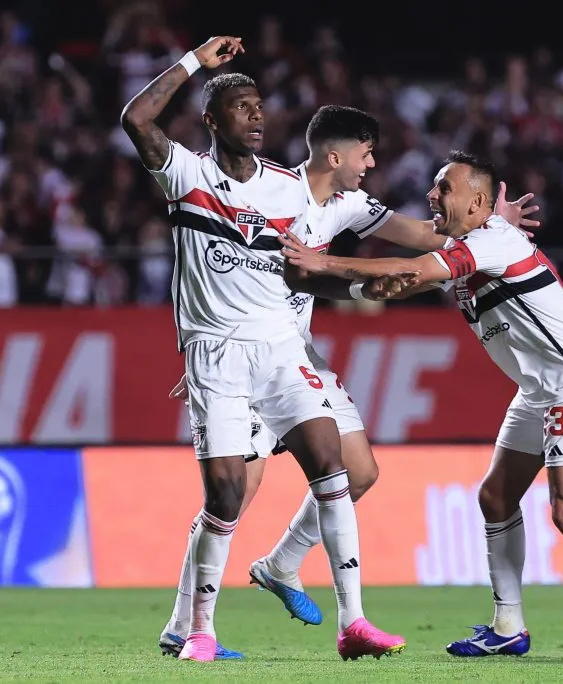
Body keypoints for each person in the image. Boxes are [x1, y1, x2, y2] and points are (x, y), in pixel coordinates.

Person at [162, 105, 540, 633]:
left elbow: (423, 237)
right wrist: (206, 352)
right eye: (365, 152)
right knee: (232, 498)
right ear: (335, 154)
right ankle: (184, 624)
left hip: (294, 359)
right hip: (245, 360)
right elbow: (210, 264)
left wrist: (491, 225)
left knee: (358, 471)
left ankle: (281, 565)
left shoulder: (347, 206)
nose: (371, 163)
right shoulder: (267, 194)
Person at [278, 150, 563, 660]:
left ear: (478, 201)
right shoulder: (475, 240)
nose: (432, 195)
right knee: (496, 499)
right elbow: (407, 263)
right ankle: (508, 626)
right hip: (538, 388)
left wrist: (324, 261)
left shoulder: (491, 242)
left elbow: (415, 267)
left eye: (445, 188)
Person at [121, 35, 404, 662]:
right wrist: (196, 63)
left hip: (280, 350)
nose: (255, 116)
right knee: (225, 495)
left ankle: (353, 622)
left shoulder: (289, 190)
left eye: (259, 107)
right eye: (240, 106)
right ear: (211, 119)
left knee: (334, 463)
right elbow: (136, 119)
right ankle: (196, 629)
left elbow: (303, 269)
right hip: (217, 355)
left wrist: (361, 281)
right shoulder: (186, 175)